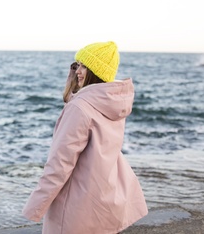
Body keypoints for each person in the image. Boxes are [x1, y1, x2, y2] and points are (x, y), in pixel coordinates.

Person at [22, 41, 148, 234]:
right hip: (104, 201)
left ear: (97, 71)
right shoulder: (112, 103)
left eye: (85, 66)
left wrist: (35, 206)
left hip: (75, 209)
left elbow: (60, 164)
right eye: (77, 65)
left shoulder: (80, 108)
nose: (78, 71)